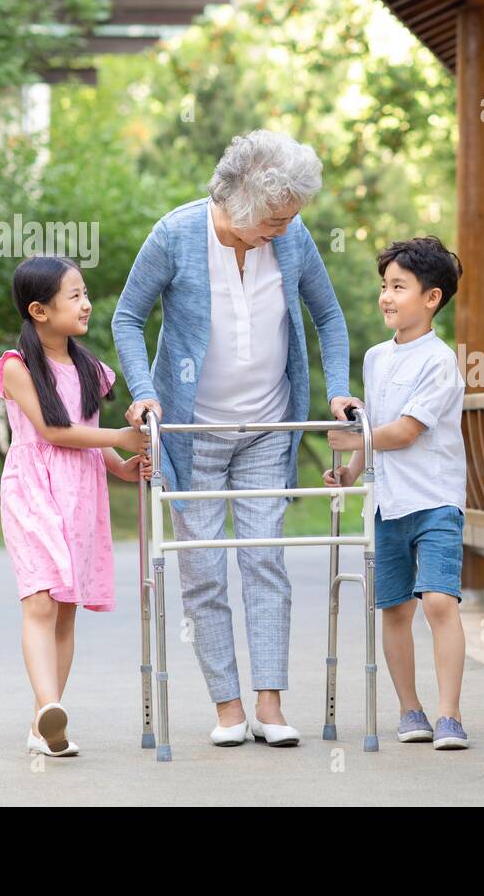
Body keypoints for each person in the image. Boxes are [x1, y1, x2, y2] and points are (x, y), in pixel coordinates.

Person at [112, 130, 362, 748]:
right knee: (202, 571)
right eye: (275, 220)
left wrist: (337, 390)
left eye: (291, 217)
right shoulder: (176, 235)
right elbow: (127, 317)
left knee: (265, 560)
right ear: (241, 202)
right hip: (193, 432)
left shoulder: (292, 237)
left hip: (268, 427)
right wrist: (144, 391)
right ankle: (227, 707)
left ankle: (269, 705)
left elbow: (328, 315)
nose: (285, 229)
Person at [0, 255, 149, 757]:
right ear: (39, 310)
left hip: (81, 492)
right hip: (32, 490)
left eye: (85, 294)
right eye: (75, 295)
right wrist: (121, 436)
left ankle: (45, 725)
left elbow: (88, 433)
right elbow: (54, 431)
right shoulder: (16, 367)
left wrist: (122, 465)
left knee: (65, 609)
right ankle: (48, 709)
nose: (86, 304)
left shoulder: (90, 369)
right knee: (40, 598)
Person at [324, 236, 469, 749]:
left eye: (399, 287)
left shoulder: (439, 361)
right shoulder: (375, 358)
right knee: (395, 608)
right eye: (384, 286)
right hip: (387, 502)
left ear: (431, 298)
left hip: (435, 499)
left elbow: (406, 431)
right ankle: (411, 709)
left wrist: (351, 441)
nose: (386, 296)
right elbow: (375, 427)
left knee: (438, 601)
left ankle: (449, 714)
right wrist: (351, 470)